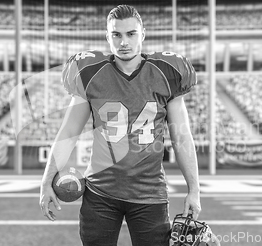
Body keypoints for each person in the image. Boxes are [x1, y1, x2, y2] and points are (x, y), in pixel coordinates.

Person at [40, 4, 201, 246]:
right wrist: (46, 181)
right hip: (100, 195)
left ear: (143, 34)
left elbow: (182, 137)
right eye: (116, 34)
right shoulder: (90, 73)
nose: (123, 42)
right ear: (108, 37)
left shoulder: (167, 73)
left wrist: (194, 190)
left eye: (131, 34)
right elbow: (69, 132)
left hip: (150, 194)